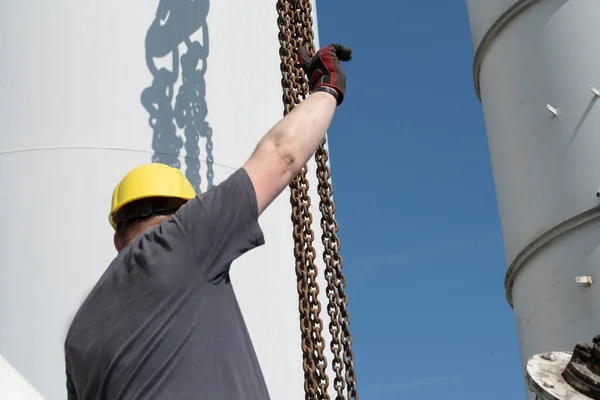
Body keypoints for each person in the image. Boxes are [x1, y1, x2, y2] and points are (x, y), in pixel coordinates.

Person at [63, 43, 352, 400]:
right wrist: (327, 87)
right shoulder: (184, 238)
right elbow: (283, 154)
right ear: (183, 210)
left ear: (117, 239)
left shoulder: (77, 335)